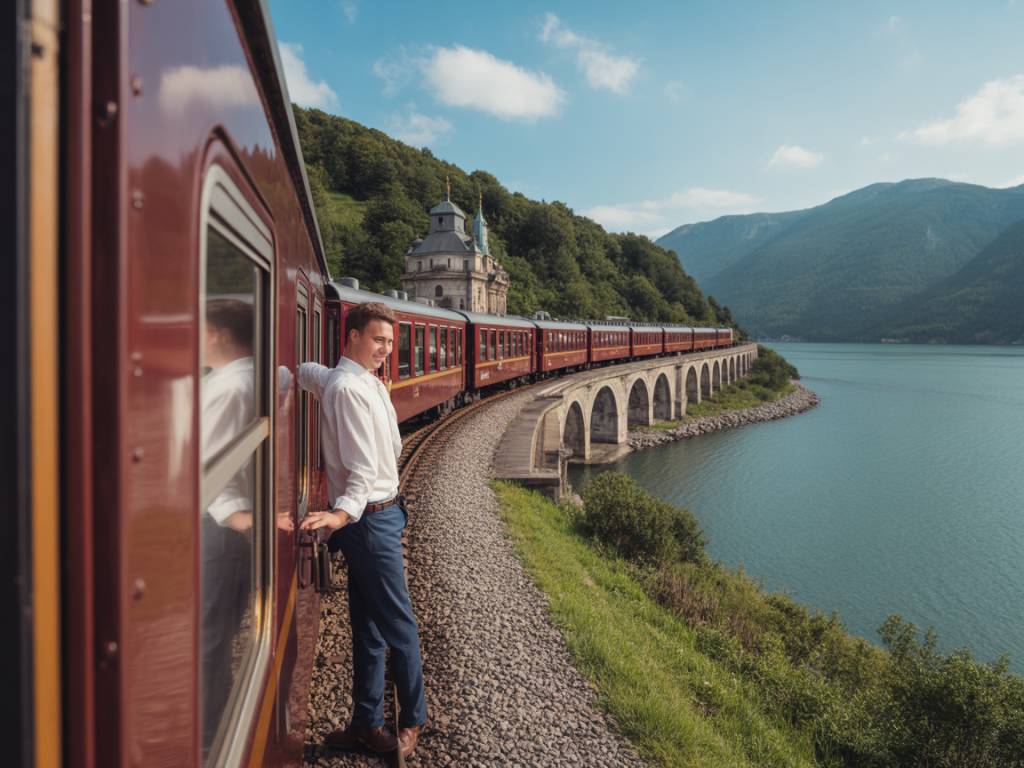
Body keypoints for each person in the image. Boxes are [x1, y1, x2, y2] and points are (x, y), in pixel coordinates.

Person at [298, 301, 427, 759]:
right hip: (373, 517)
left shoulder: (360, 385)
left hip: (369, 520)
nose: (386, 350)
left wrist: (338, 515)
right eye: (378, 340)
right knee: (372, 627)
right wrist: (293, 371)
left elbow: (364, 469)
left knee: (395, 625)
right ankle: (367, 724)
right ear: (351, 336)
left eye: (390, 342)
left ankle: (411, 720)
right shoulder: (348, 386)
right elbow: (368, 464)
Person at [199, 298, 256, 753]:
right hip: (224, 527)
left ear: (217, 334)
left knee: (209, 638)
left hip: (220, 531)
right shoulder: (243, 379)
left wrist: (236, 517)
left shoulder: (232, 386)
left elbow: (210, 468)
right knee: (210, 635)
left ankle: (207, 738)